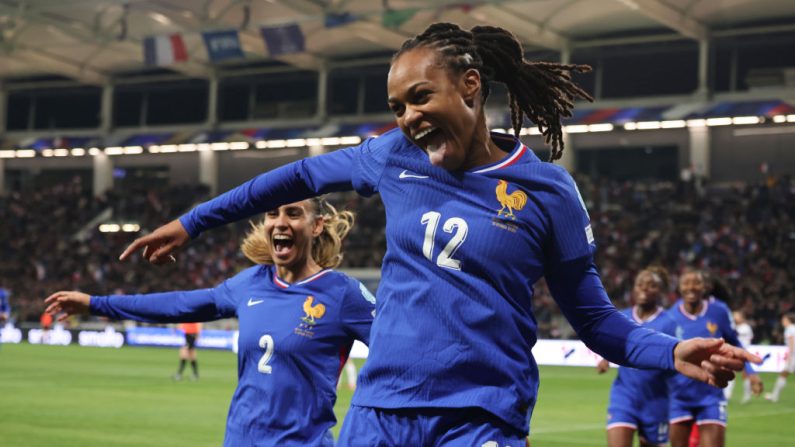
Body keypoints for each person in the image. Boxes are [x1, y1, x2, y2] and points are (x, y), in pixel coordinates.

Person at [118, 23, 759, 445]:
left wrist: (666, 351)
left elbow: (593, 317)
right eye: (397, 106)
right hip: (379, 414)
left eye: (421, 98)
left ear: (471, 87)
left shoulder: (549, 192)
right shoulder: (390, 156)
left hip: (482, 418)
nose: (408, 118)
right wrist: (191, 222)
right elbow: (293, 178)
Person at [46, 198, 375, 446]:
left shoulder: (342, 294)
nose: (280, 222)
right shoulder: (249, 284)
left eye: (293, 213)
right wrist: (95, 304)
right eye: (272, 214)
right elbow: (177, 305)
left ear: (316, 225)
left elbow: (400, 350)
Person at [666, 269, 761, 447]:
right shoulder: (670, 317)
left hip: (711, 394)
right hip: (678, 396)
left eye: (696, 283)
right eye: (686, 283)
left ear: (705, 287)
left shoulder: (719, 311)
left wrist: (751, 371)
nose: (691, 287)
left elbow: (735, 343)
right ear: (679, 287)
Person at [597, 267, 677, 447]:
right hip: (624, 396)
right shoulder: (621, 317)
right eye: (640, 284)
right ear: (634, 288)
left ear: (661, 291)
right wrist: (605, 358)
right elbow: (611, 342)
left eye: (651, 285)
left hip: (656, 400)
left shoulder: (670, 323)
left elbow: (676, 359)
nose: (645, 289)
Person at [723, 311, 757, 403]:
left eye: (737, 316)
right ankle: (727, 395)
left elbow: (735, 335)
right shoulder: (735, 327)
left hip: (743, 353)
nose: (735, 318)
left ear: (742, 317)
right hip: (734, 353)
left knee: (745, 375)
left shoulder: (745, 327)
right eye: (734, 316)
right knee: (729, 373)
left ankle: (747, 395)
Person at [765, 313, 795, 402]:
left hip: (793, 356)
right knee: (784, 374)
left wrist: (789, 357)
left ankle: (774, 396)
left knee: (783, 374)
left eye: (784, 320)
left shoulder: (789, 329)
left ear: (788, 320)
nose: (782, 322)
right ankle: (774, 396)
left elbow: (792, 343)